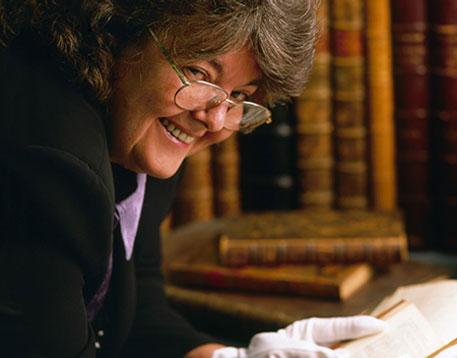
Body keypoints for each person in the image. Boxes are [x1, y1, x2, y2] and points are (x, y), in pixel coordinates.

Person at [0, 1, 386, 357]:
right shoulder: (50, 166)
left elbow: (131, 309)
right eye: (198, 72)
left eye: (239, 95)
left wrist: (219, 357)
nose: (215, 119)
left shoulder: (145, 126)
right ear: (118, 32)